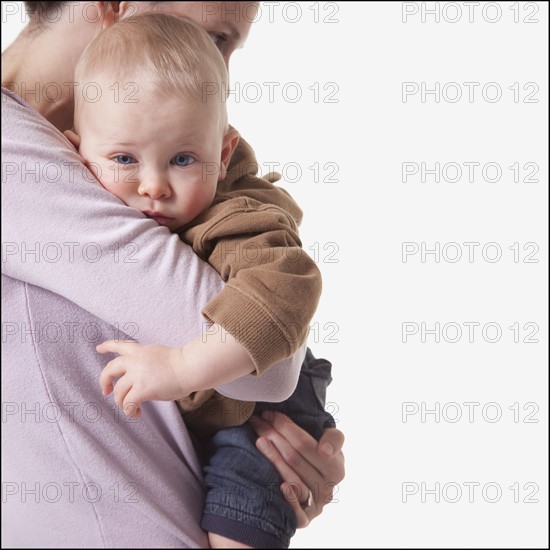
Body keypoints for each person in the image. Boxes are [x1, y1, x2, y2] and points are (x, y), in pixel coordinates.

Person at [1, 1, 345, 547]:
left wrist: (273, 475)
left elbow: (270, 364)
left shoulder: (138, 173)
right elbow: (267, 372)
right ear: (115, 7)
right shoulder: (19, 152)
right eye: (214, 38)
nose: (221, 72)